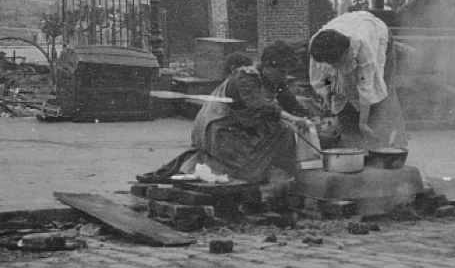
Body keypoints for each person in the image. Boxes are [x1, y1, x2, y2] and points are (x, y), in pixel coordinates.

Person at [141, 50, 311, 189]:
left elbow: (290, 102)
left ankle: (274, 175)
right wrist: (291, 118)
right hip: (216, 130)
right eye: (281, 71)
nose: (284, 76)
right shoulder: (246, 77)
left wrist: (309, 117)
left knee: (277, 129)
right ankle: (281, 177)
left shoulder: (274, 81)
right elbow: (258, 106)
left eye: (286, 72)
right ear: (266, 67)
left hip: (227, 130)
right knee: (282, 131)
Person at [308, 10, 407, 149]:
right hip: (350, 26)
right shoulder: (317, 47)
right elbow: (321, 79)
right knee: (343, 95)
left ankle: (386, 147)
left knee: (382, 99)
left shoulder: (363, 48)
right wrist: (327, 94)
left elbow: (367, 88)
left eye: (339, 62)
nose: (336, 66)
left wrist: (363, 124)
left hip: (377, 34)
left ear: (346, 52)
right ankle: (352, 145)